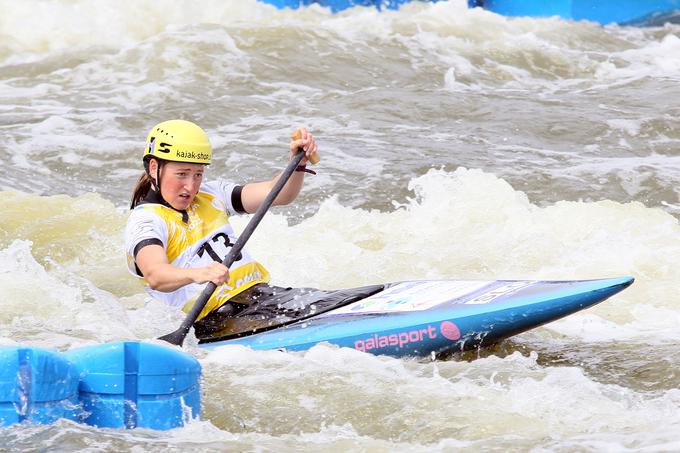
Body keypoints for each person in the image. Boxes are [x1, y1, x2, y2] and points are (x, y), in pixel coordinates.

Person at [124, 119, 318, 325]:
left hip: (264, 298)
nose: (191, 187)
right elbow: (156, 275)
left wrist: (297, 164)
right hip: (215, 320)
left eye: (198, 174)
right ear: (154, 168)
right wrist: (198, 274)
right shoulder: (145, 220)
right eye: (181, 174)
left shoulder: (212, 194)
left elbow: (277, 194)